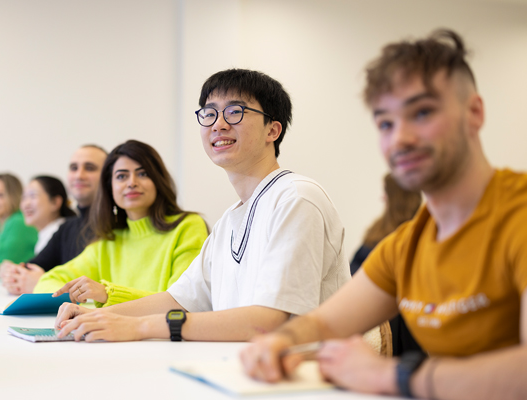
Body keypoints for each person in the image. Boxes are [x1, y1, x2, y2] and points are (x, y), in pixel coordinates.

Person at [240, 29, 527, 400]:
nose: (400, 138)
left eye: (422, 113)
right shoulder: (406, 246)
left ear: (474, 113)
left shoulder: (518, 216)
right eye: (386, 123)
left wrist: (392, 376)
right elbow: (325, 322)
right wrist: (279, 343)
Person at [53, 69, 350, 342]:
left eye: (235, 111)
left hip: (302, 379)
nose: (219, 124)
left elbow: (269, 321)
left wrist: (140, 326)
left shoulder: (296, 198)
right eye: (209, 113)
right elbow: (178, 299)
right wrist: (100, 315)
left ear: (273, 130)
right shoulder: (230, 220)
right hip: (239, 368)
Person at [32, 139, 208, 308]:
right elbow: (47, 281)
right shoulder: (108, 241)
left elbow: (181, 302)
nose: (132, 183)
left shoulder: (188, 227)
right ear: (110, 187)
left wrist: (109, 295)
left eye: (143, 174)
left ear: (158, 180)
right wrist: (73, 295)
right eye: (121, 176)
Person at [0, 145, 107, 294]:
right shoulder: (66, 228)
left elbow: (98, 290)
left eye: (90, 168)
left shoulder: (113, 227)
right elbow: (31, 268)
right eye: (74, 168)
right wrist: (12, 272)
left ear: (108, 176)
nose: (79, 175)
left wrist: (41, 282)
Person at [350, 173, 423, 356]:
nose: (382, 197)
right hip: (364, 303)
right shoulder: (379, 227)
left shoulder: (415, 231)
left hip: (393, 316)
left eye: (386, 191)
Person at [21, 175, 76, 255]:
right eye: (23, 197)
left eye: (33, 196)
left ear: (55, 202)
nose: (26, 204)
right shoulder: (45, 235)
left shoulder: (62, 235)